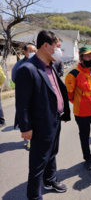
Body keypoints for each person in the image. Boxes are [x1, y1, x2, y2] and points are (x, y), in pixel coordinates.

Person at [15, 30, 71, 200]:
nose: (60, 51)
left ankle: (50, 180)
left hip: (54, 119)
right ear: (46, 46)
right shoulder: (28, 69)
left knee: (52, 153)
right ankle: (34, 196)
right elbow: (22, 103)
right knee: (38, 163)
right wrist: (25, 128)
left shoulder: (50, 65)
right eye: (58, 47)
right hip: (40, 124)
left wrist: (63, 112)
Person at [12, 42, 37, 150]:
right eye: (31, 51)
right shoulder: (19, 64)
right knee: (26, 116)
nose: (33, 53)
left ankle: (34, 138)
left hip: (36, 94)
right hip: (25, 93)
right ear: (25, 52)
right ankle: (28, 141)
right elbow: (14, 78)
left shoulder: (38, 62)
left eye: (35, 51)